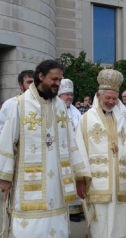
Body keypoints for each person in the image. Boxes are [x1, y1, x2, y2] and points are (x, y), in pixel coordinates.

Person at [0, 60, 91, 238]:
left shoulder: (59, 106)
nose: (58, 83)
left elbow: (70, 142)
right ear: (41, 76)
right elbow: (7, 141)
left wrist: (80, 175)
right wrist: (5, 178)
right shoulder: (20, 104)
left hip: (57, 182)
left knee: (56, 227)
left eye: (60, 79)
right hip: (28, 181)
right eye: (54, 79)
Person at [75, 69, 126, 238]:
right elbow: (79, 150)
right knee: (101, 228)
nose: (112, 102)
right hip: (97, 184)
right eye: (108, 98)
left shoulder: (124, 118)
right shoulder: (86, 119)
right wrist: (81, 179)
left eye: (114, 98)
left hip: (122, 183)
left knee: (124, 226)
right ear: (98, 96)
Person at [57, 78, 83, 222]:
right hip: (61, 151)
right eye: (67, 94)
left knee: (75, 179)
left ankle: (76, 209)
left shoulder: (76, 111)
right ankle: (65, 208)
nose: (70, 97)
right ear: (60, 95)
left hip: (75, 151)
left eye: (71, 95)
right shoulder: (55, 109)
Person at [0, 70, 34, 140]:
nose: (33, 86)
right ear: (21, 85)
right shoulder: (10, 103)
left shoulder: (43, 105)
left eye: (35, 82)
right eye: (29, 82)